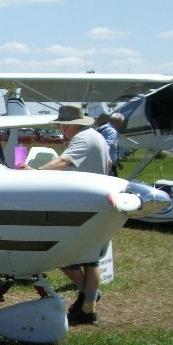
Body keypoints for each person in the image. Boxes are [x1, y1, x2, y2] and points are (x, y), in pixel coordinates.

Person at [33, 105, 110, 325]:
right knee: (91, 258)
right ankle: (88, 304)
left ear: (68, 125)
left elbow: (63, 162)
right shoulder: (98, 138)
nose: (62, 131)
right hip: (100, 202)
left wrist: (36, 175)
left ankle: (87, 296)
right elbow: (110, 164)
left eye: (62, 126)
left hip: (82, 206)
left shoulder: (82, 139)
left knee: (61, 252)